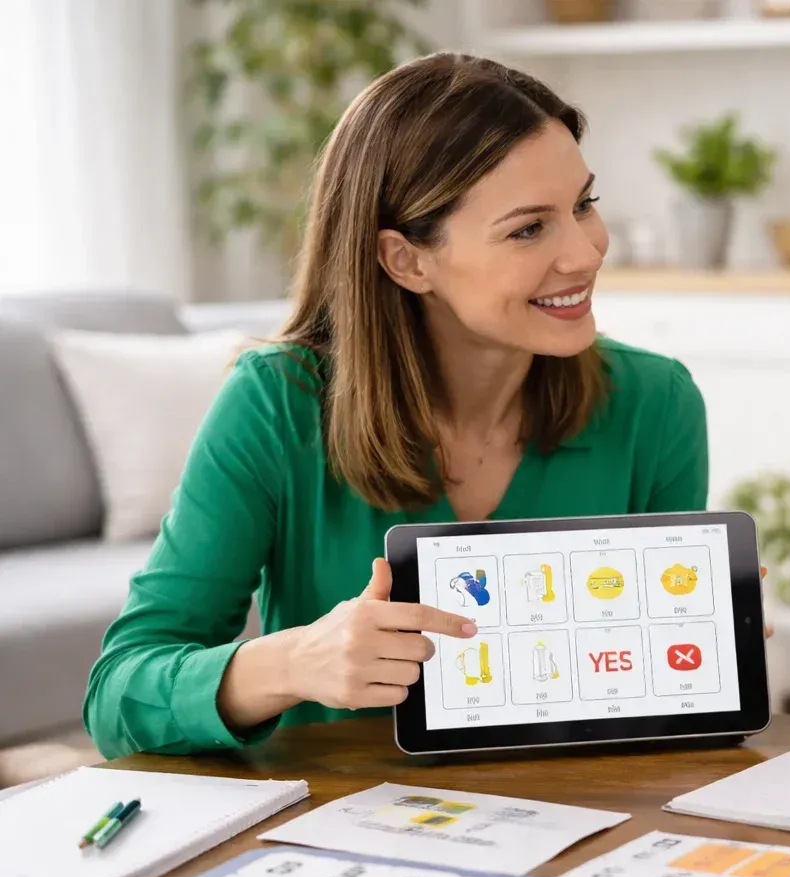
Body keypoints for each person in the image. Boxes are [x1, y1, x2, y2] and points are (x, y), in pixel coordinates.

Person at [85, 54, 707, 758]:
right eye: (529, 229)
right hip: (339, 827)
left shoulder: (655, 403)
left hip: (581, 812)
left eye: (584, 205)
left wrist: (700, 644)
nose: (587, 251)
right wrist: (292, 664)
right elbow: (116, 697)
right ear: (406, 260)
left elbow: (653, 705)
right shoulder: (277, 403)